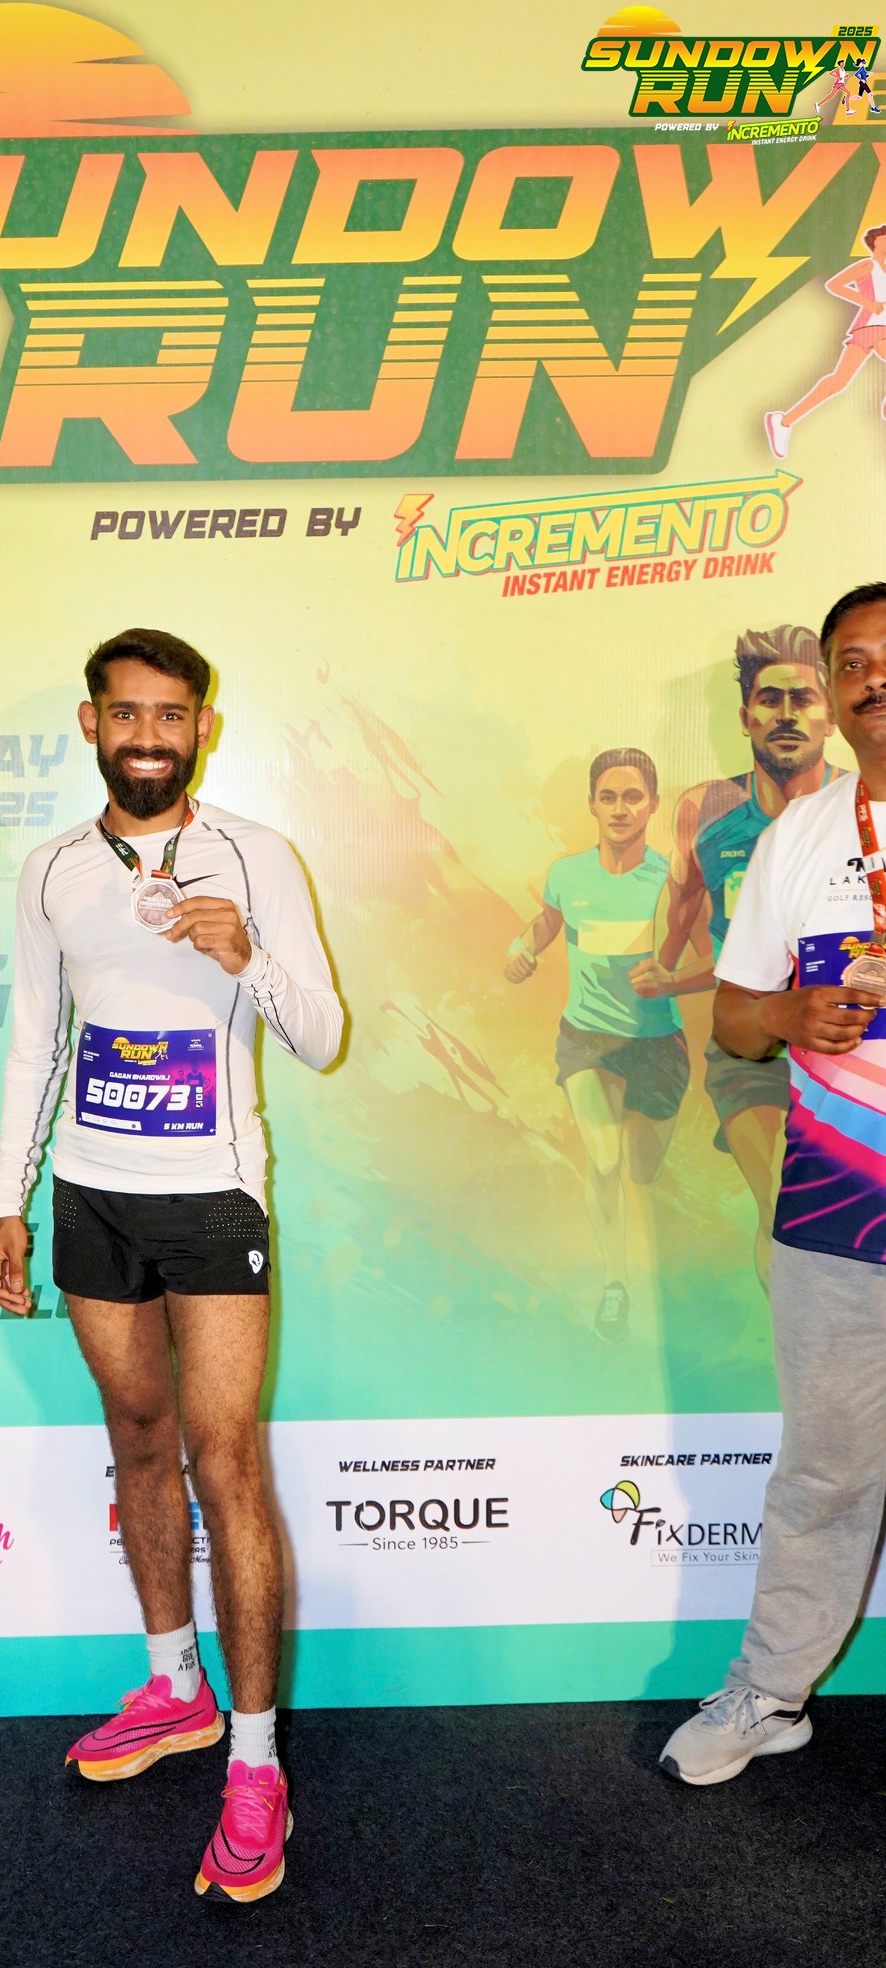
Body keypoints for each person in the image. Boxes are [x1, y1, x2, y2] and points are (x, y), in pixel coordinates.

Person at [0, 627, 342, 1901]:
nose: (148, 735)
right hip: (91, 1198)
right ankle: (173, 1687)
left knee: (223, 1459)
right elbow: (36, 1043)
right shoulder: (50, 870)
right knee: (137, 1440)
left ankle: (256, 1764)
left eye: (171, 715)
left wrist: (249, 957)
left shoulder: (256, 855)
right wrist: (8, 1201)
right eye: (126, 713)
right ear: (92, 724)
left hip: (211, 1199)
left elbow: (322, 1035)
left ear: (203, 729)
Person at [659, 582, 886, 1786]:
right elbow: (736, 1019)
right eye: (852, 662)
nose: (871, 679)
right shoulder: (800, 834)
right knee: (825, 1470)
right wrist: (793, 1014)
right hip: (840, 1205)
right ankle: (770, 1693)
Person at [629, 627, 838, 1285]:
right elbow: (681, 904)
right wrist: (660, 972)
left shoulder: (866, 806)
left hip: (851, 1045)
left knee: (840, 1215)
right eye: (770, 699)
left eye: (803, 698)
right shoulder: (708, 808)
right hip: (749, 1041)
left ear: (831, 715)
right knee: (784, 1205)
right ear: (746, 717)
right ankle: (797, 1345)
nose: (786, 714)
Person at [504, 748, 687, 1342]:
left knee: (642, 1169)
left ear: (652, 805)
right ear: (591, 805)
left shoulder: (672, 878)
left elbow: (712, 950)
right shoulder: (567, 873)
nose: (619, 808)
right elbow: (546, 923)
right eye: (608, 797)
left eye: (632, 796)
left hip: (656, 1043)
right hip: (586, 1038)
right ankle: (615, 1284)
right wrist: (521, 947)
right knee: (605, 1162)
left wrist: (676, 979)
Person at [764, 224, 886, 459]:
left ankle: (784, 421)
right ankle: (782, 422)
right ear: (875, 243)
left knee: (837, 382)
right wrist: (868, 303)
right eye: (885, 238)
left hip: (880, 327)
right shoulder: (867, 266)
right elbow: (834, 285)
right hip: (870, 326)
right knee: (838, 382)